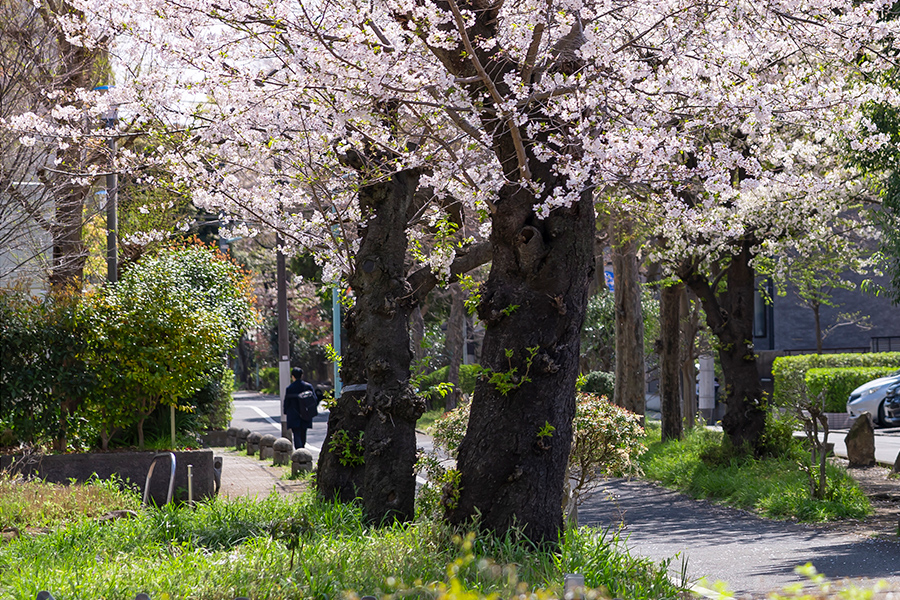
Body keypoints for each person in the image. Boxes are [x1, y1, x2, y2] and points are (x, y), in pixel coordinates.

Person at [283, 366, 318, 449]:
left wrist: (285, 411)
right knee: (303, 433)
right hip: (306, 413)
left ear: (293, 376)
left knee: (296, 433)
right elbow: (315, 399)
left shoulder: (290, 388)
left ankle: (299, 450)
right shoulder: (308, 386)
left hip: (294, 414)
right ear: (302, 375)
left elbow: (286, 402)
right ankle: (302, 448)